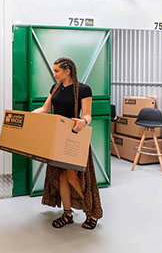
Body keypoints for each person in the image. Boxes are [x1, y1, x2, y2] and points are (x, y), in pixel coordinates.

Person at [32, 57, 103, 230]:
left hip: (74, 137)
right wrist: (31, 115)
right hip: (57, 137)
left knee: (73, 176)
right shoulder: (55, 88)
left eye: (57, 71)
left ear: (67, 71)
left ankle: (92, 210)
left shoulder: (84, 89)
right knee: (61, 176)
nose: (54, 74)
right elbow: (45, 108)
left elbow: (87, 114)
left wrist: (83, 122)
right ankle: (67, 213)